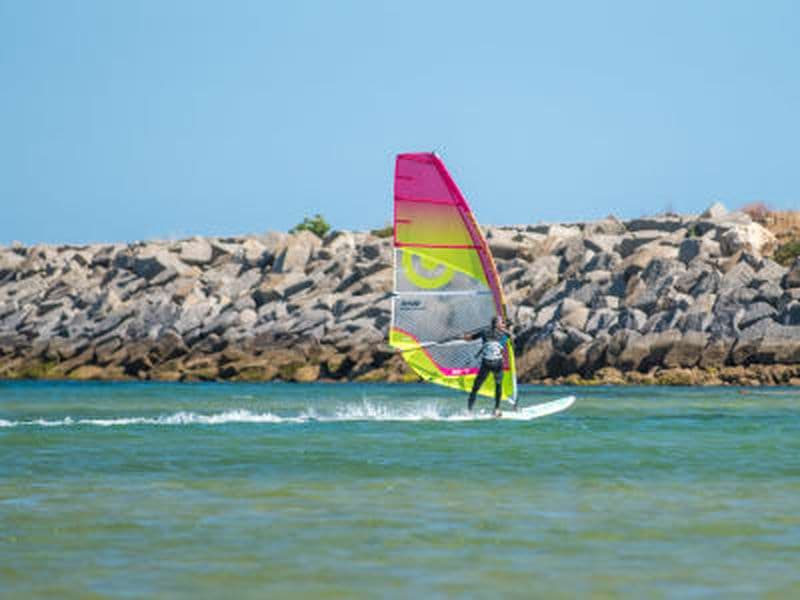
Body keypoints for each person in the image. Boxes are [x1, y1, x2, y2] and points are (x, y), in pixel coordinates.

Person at [464, 316, 511, 416]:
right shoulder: (504, 333)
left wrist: (465, 336)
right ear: (498, 324)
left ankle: (469, 410)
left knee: (475, 388)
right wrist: (505, 329)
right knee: (498, 385)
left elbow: (469, 339)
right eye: (502, 322)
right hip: (497, 364)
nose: (503, 324)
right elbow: (511, 337)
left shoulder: (484, 332)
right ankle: (497, 409)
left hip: (486, 364)